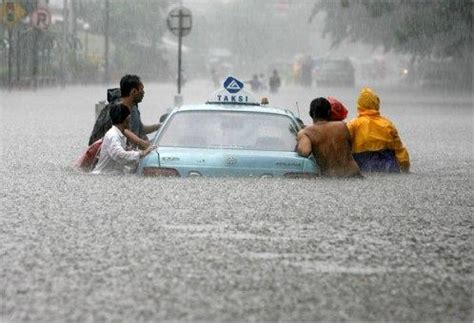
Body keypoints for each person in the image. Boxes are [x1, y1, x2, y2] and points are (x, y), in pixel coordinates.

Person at [88, 74, 160, 149]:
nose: (144, 93)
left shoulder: (133, 108)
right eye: (142, 89)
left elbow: (139, 129)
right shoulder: (117, 110)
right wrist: (141, 143)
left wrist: (160, 126)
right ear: (134, 91)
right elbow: (124, 131)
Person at [347, 88, 410, 173]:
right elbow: (399, 148)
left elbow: (343, 145)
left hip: (362, 164)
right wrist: (405, 166)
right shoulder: (388, 124)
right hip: (388, 165)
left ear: (359, 105)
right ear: (376, 104)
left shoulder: (354, 124)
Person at [296, 97, 361, 178]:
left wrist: (298, 142)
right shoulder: (342, 126)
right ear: (329, 112)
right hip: (354, 175)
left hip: (333, 179)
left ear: (310, 114)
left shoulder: (306, 133)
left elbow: (305, 151)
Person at [92, 104, 154, 175]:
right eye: (129, 116)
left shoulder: (120, 135)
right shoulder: (113, 136)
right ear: (126, 118)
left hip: (112, 176)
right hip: (104, 176)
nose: (130, 119)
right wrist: (141, 154)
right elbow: (119, 155)